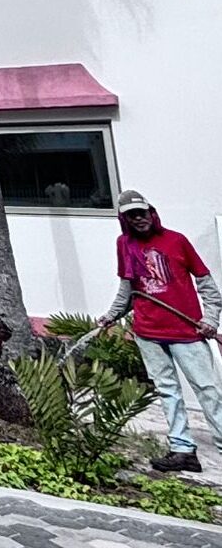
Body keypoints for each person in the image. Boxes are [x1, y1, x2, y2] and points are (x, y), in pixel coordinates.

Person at [99, 189, 222, 473]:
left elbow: (207, 285)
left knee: (207, 390)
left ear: (151, 212)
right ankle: (182, 450)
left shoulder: (176, 241)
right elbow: (128, 290)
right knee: (167, 390)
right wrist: (110, 316)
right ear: (124, 219)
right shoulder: (124, 244)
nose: (139, 219)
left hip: (186, 331)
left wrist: (211, 318)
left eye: (142, 212)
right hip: (148, 332)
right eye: (132, 215)